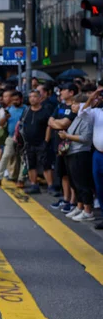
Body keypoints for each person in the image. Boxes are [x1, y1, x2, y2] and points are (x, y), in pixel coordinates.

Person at [60, 94, 95, 222]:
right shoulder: (77, 117)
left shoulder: (87, 118)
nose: (72, 106)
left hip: (81, 153)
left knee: (82, 182)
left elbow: (85, 138)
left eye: (75, 104)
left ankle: (87, 210)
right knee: (75, 182)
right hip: (72, 152)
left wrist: (66, 136)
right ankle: (80, 207)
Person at [48, 83, 78, 212]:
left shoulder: (75, 107)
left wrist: (57, 123)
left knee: (72, 174)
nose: (60, 92)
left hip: (71, 145)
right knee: (63, 174)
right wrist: (58, 124)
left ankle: (73, 201)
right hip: (58, 144)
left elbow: (66, 123)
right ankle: (65, 199)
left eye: (63, 90)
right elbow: (50, 120)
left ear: (71, 92)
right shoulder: (60, 105)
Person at [78, 83, 103, 229]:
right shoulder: (97, 112)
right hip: (98, 154)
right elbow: (82, 113)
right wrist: (92, 97)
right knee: (99, 187)